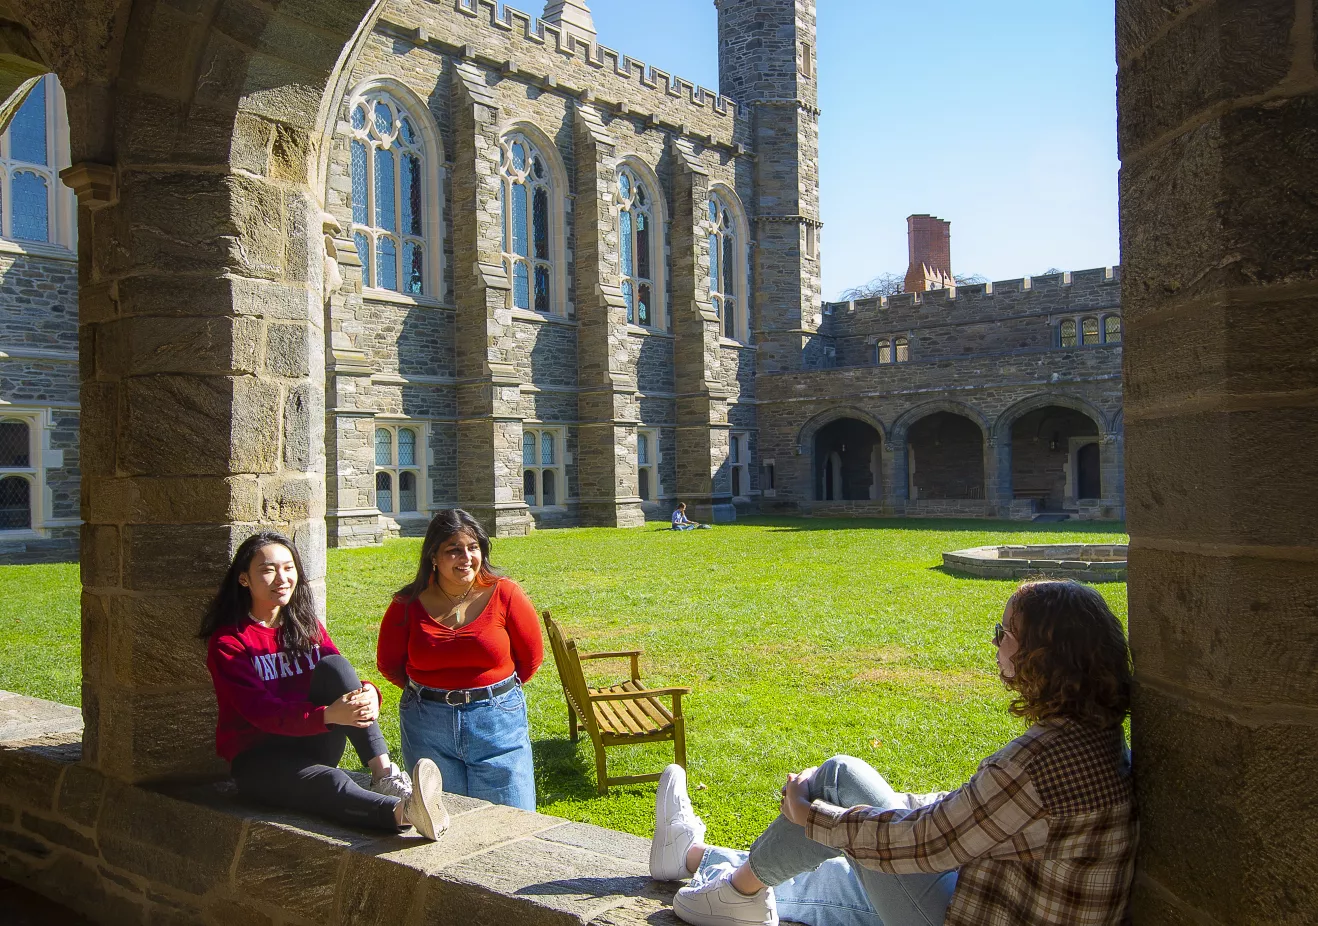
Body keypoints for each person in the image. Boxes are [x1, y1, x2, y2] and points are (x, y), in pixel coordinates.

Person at [650, 579, 1137, 926]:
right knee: (842, 874)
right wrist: (879, 809)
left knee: (839, 780)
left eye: (1004, 633)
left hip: (972, 910)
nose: (994, 642)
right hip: (990, 896)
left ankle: (735, 891)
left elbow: (927, 843)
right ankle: (694, 857)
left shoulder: (1039, 763)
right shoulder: (1094, 736)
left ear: (1042, 657)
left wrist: (811, 817)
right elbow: (971, 812)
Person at [200, 531, 448, 840]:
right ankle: (406, 813)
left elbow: (341, 680)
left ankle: (384, 774)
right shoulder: (230, 642)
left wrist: (370, 692)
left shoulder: (305, 626)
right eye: (268, 569)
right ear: (244, 579)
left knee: (334, 665)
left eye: (289, 568)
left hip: (313, 740)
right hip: (260, 760)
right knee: (329, 781)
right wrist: (327, 716)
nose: (282, 578)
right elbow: (260, 712)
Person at [376, 508, 544, 811]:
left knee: (511, 818)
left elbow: (531, 659)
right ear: (434, 557)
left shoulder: (505, 593)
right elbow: (389, 664)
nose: (466, 557)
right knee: (440, 817)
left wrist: (489, 692)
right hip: (427, 724)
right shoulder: (407, 604)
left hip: (497, 720)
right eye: (453, 550)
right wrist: (432, 690)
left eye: (473, 547)